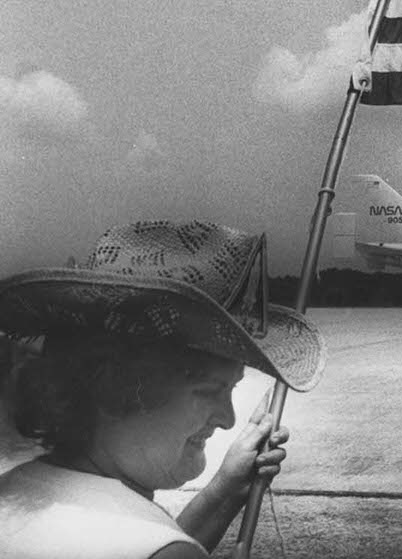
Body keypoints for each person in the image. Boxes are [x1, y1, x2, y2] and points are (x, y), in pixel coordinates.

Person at [0, 220, 327, 558]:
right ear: (116, 387)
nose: (229, 420)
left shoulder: (12, 495)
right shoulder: (160, 547)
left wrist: (224, 492)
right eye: (208, 390)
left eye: (230, 389)